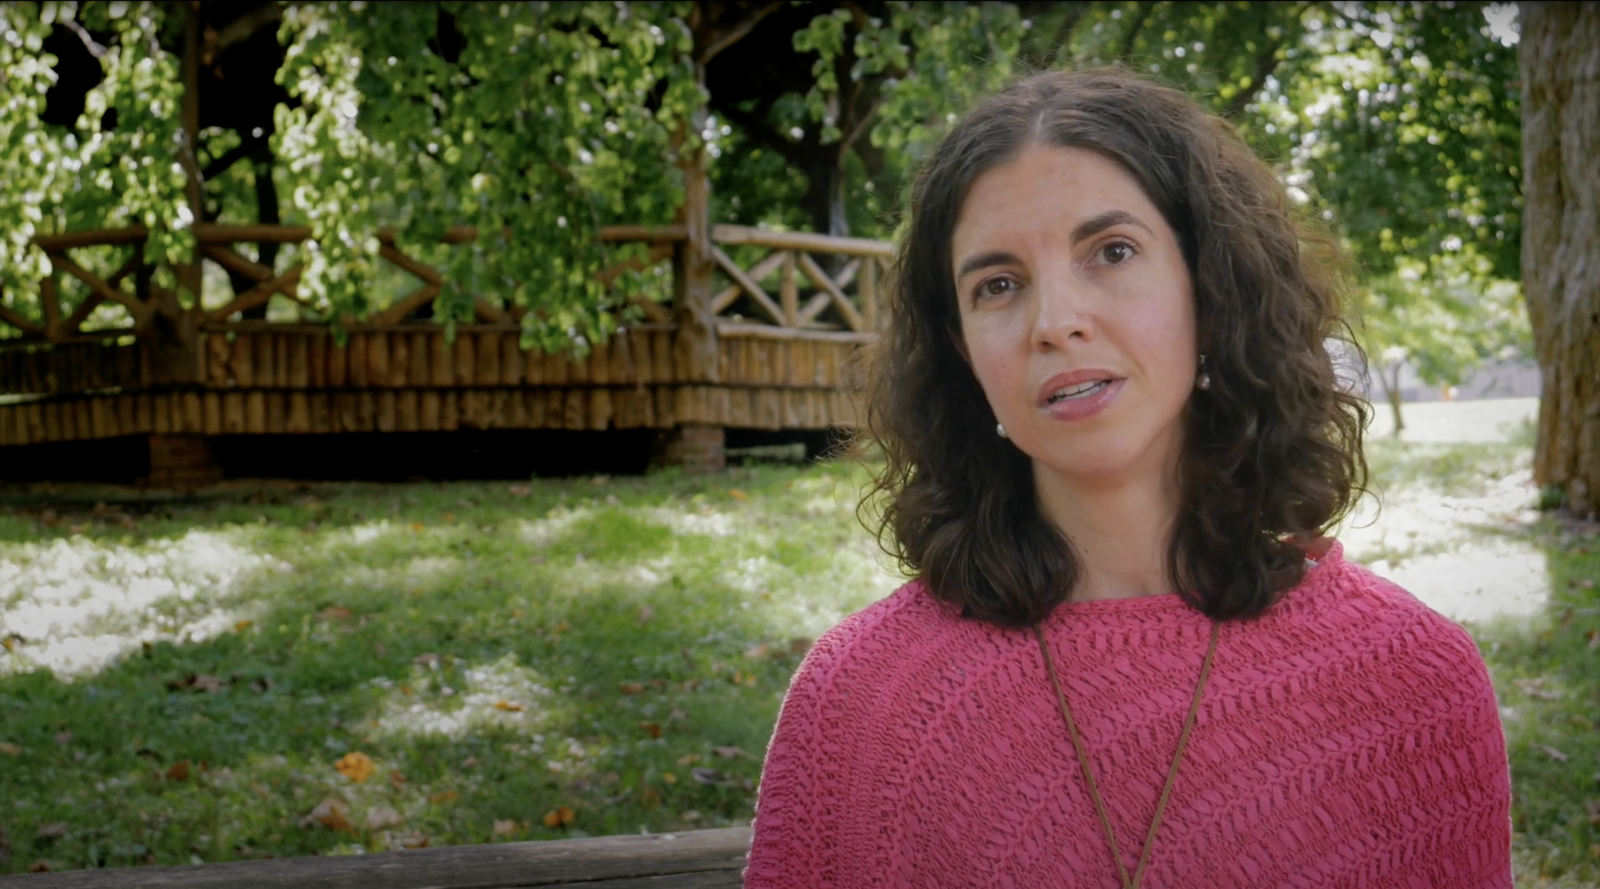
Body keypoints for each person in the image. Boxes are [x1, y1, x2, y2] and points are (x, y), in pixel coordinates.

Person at [743, 69, 1513, 888]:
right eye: (998, 285)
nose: (1054, 322)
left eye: (1111, 252)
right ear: (964, 350)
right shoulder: (862, 707)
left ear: (1210, 291)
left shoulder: (1413, 686)